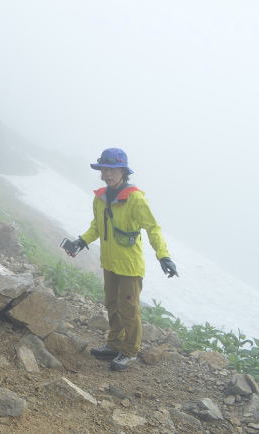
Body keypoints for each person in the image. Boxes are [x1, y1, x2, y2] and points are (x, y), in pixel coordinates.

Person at [63, 148, 178, 371]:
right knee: (112, 305)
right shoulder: (100, 198)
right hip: (109, 262)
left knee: (129, 308)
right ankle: (114, 345)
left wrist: (163, 256)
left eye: (112, 170)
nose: (107, 174)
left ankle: (129, 351)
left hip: (129, 266)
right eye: (104, 169)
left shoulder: (135, 198)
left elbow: (153, 228)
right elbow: (96, 226)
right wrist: (81, 241)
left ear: (123, 171)